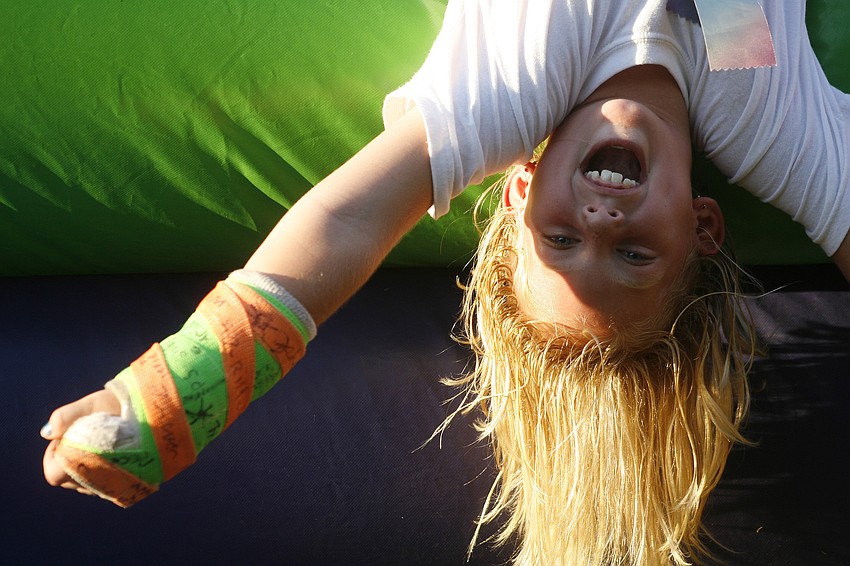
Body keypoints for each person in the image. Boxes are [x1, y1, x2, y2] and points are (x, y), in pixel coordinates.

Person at [41, 0, 850, 564]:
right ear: (704, 229)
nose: (601, 228)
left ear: (521, 189)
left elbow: (352, 221)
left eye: (562, 241)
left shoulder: (509, 96)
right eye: (635, 258)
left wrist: (169, 397)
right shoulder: (755, 101)